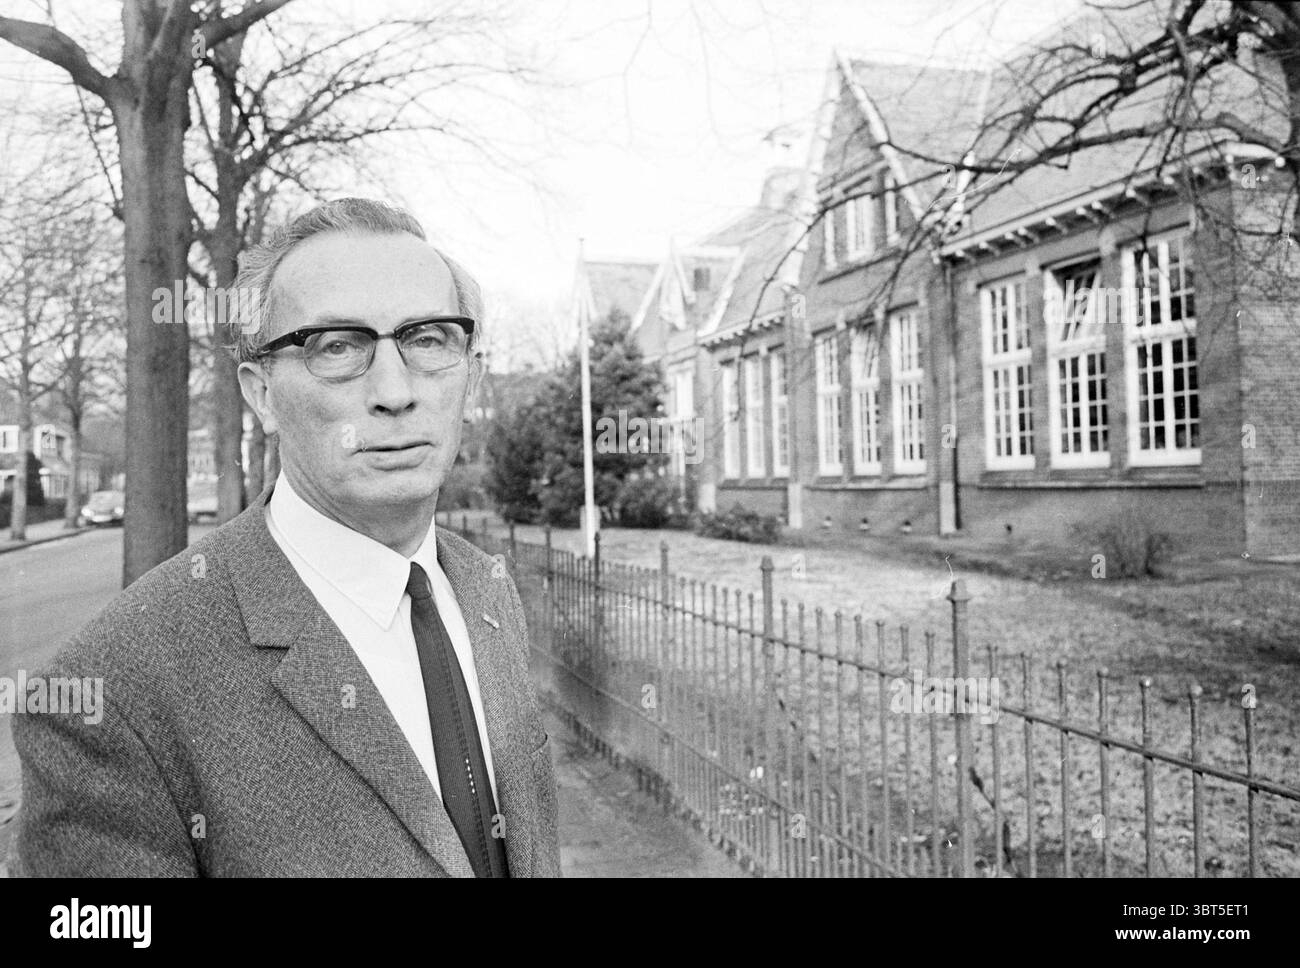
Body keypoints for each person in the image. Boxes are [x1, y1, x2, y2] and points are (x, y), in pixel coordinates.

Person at [10, 198, 560, 877]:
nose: (395, 390)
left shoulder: (488, 593)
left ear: (470, 373)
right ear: (261, 394)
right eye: (337, 347)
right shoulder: (116, 693)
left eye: (427, 339)